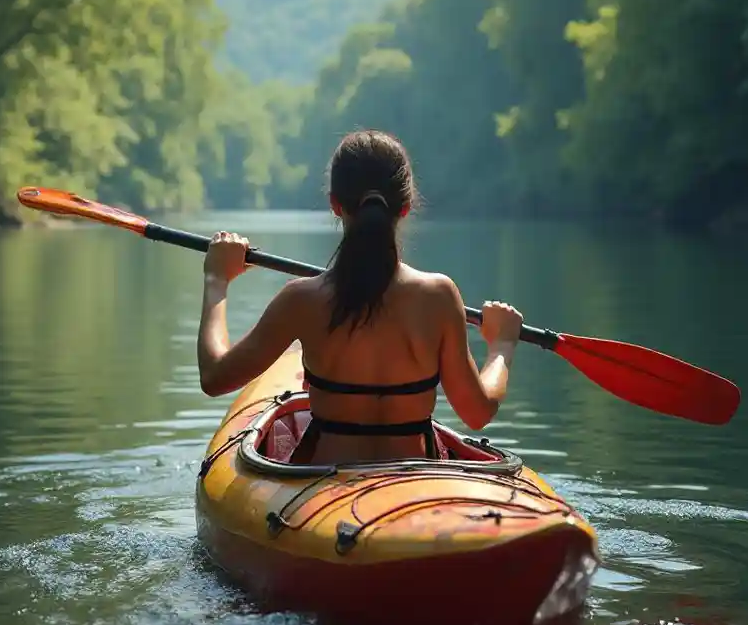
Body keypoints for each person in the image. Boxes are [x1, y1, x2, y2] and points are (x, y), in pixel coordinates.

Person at [197, 129, 523, 465]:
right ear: (406, 207)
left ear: (335, 205)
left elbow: (215, 376)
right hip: (412, 483)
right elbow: (477, 411)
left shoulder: (301, 299)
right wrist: (502, 346)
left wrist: (216, 279)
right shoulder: (439, 296)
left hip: (321, 484)